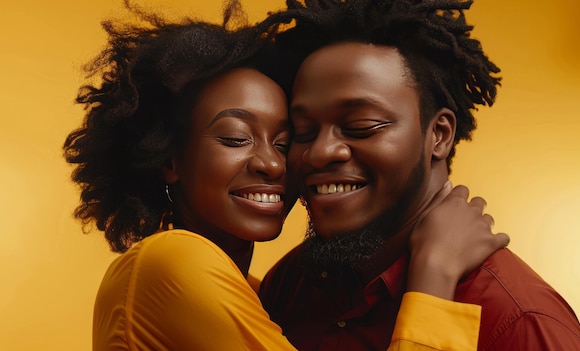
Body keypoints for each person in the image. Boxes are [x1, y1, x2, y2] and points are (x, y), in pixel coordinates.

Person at [62, 1, 508, 350]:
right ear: (170, 160)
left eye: (284, 141)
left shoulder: (265, 294)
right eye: (236, 138)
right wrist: (434, 273)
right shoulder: (173, 264)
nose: (273, 165)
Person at [258, 0, 580, 350]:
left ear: (439, 135)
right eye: (302, 131)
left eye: (361, 126)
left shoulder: (519, 321)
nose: (320, 151)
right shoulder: (292, 284)